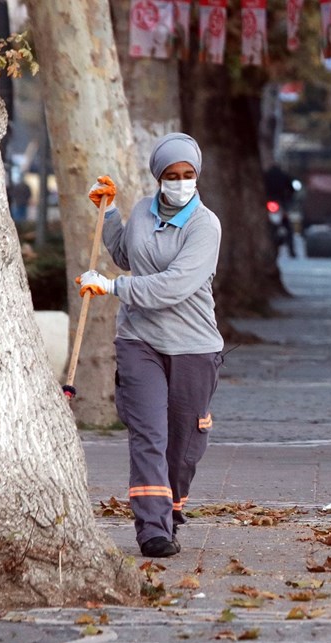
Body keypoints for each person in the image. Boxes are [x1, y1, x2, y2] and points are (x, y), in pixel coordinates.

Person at [79, 133, 224, 559]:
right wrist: (108, 214)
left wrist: (112, 287)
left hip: (193, 346)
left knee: (183, 445)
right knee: (148, 434)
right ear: (158, 177)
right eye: (171, 175)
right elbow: (128, 254)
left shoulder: (205, 225)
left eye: (188, 175)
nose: (180, 182)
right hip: (139, 341)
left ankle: (171, 509)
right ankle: (152, 528)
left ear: (197, 176)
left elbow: (175, 285)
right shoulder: (144, 210)